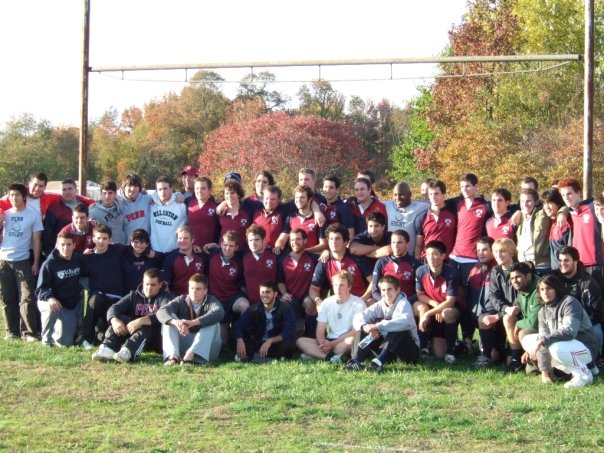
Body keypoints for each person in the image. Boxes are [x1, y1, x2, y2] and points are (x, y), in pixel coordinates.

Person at [521, 275, 598, 388]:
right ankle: (583, 368)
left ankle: (584, 375)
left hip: (585, 346)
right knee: (528, 340)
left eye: (549, 288)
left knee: (555, 347)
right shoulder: (542, 312)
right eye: (542, 289)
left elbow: (569, 331)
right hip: (566, 348)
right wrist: (545, 372)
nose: (545, 293)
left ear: (557, 289)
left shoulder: (569, 303)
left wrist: (543, 340)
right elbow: (543, 338)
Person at [91, 268, 173, 363]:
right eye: (146, 284)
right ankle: (107, 348)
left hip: (154, 338)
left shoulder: (166, 298)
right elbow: (114, 308)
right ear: (142, 283)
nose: (149, 288)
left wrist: (142, 321)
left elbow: (164, 314)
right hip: (132, 332)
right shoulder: (133, 295)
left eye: (153, 285)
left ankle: (128, 352)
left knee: (147, 326)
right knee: (120, 318)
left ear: (160, 285)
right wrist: (114, 320)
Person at [345, 275, 420, 372]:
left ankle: (378, 362)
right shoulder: (380, 304)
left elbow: (405, 321)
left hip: (408, 352)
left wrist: (377, 326)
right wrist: (366, 327)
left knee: (398, 329)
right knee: (362, 330)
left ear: (397, 290)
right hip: (388, 349)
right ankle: (356, 361)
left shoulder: (404, 304)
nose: (386, 293)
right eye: (383, 290)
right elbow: (359, 317)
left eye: (389, 289)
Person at [0, 183, 43, 341]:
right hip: (3, 261)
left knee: (27, 297)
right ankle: (11, 331)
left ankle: (28, 332)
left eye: (17, 195)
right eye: (11, 195)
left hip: (23, 260)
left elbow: (37, 240)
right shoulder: (5, 214)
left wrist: (36, 263)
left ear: (24, 197)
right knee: (7, 297)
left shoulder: (33, 215)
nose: (14, 198)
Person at [296, 270, 366, 363]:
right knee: (300, 341)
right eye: (336, 285)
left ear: (349, 287)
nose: (338, 289)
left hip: (344, 340)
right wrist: (322, 343)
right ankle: (330, 357)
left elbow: (356, 330)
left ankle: (315, 355)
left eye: (342, 285)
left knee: (351, 341)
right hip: (329, 339)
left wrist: (333, 344)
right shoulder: (326, 303)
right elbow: (320, 329)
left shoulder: (358, 303)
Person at [157, 273, 224, 365]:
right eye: (192, 288)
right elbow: (161, 311)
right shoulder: (181, 300)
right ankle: (173, 356)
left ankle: (192, 354)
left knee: (212, 322)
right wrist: (177, 323)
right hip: (185, 343)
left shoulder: (211, 301)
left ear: (205, 291)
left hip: (207, 348)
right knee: (168, 321)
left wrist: (193, 322)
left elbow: (219, 313)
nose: (194, 292)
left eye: (198, 289)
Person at [36, 232, 88, 347]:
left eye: (69, 244)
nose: (66, 248)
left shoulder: (78, 259)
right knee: (51, 308)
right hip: (52, 302)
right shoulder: (49, 264)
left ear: (74, 245)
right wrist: (50, 298)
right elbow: (40, 289)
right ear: (57, 246)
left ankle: (58, 332)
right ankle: (46, 340)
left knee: (64, 343)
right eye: (62, 245)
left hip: (69, 305)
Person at [414, 240, 460, 364]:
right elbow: (420, 295)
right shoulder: (420, 271)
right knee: (422, 308)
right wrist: (435, 306)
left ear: (443, 256)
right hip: (434, 307)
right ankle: (424, 347)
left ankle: (451, 352)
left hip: (447, 311)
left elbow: (450, 302)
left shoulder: (451, 273)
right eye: (428, 254)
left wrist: (430, 313)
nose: (431, 258)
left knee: (447, 312)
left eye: (435, 254)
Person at [81, 224, 127, 348]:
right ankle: (86, 338)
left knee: (105, 334)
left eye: (105, 238)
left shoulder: (117, 250)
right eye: (99, 238)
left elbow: (136, 247)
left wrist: (152, 253)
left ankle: (102, 336)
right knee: (95, 299)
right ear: (93, 239)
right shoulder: (88, 258)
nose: (101, 242)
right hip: (98, 298)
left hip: (116, 299)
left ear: (110, 240)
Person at [232, 280, 297, 363]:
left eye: (268, 292)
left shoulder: (286, 309)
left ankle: (254, 357)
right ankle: (269, 358)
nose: (264, 295)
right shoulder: (254, 309)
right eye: (262, 292)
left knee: (289, 344)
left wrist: (270, 341)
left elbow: (288, 331)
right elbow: (238, 326)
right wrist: (240, 340)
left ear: (275, 294)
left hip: (276, 342)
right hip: (259, 342)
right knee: (235, 340)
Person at [309, 223, 373, 306]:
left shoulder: (357, 258)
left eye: (337, 239)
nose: (333, 242)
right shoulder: (324, 261)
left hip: (359, 302)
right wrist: (318, 302)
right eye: (331, 239)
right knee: (310, 303)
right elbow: (313, 288)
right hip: (338, 304)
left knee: (371, 302)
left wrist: (364, 298)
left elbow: (373, 281)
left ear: (345, 241)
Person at [555, 246, 603, 353]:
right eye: (560, 260)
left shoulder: (589, 283)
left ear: (576, 261)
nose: (562, 263)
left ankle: (595, 356)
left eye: (566, 260)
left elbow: (597, 314)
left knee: (597, 331)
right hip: (561, 323)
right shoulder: (555, 280)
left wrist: (576, 325)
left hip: (585, 324)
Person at [558, 178, 604, 288]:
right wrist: (562, 212)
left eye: (569, 194)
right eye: (563, 195)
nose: (566, 198)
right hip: (579, 266)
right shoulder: (570, 213)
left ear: (578, 192)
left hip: (597, 264)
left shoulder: (592, 207)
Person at [466, 237, 499, 367]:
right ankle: (465, 342)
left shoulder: (498, 268)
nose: (481, 253)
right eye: (479, 250)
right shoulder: (475, 269)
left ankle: (487, 355)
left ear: (492, 251)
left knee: (495, 356)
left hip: (495, 315)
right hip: (476, 315)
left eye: (485, 249)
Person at [502, 262, 541, 372]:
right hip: (531, 330)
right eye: (512, 278)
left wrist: (518, 324)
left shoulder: (540, 289)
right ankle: (515, 360)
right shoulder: (522, 287)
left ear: (528, 276)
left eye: (518, 277)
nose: (515, 281)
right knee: (508, 318)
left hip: (545, 332)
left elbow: (534, 323)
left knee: (523, 332)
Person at [277, 228, 317, 334]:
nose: (295, 242)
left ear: (305, 241)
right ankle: (283, 338)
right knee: (280, 302)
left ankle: (310, 337)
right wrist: (284, 294)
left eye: (298, 239)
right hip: (290, 297)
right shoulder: (282, 259)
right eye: (292, 240)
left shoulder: (314, 258)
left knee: (309, 302)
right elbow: (280, 281)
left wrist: (326, 251)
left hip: (306, 297)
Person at [42, 179, 95, 255]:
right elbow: (47, 234)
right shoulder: (54, 209)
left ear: (76, 190)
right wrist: (52, 254)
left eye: (70, 189)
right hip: (64, 253)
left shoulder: (87, 205)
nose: (67, 192)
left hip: (86, 254)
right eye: (64, 189)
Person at [371, 229, 421, 303]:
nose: (396, 246)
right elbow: (375, 291)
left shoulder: (415, 264)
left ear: (407, 244)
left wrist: (402, 302)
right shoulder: (381, 262)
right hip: (385, 302)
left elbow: (418, 293)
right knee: (369, 302)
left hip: (406, 302)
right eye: (393, 242)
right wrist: (386, 302)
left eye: (399, 243)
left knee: (422, 307)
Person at [276, 185, 327, 254]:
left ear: (310, 199)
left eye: (302, 197)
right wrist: (278, 246)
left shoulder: (318, 219)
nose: (298, 200)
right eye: (296, 197)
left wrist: (304, 252)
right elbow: (282, 238)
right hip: (293, 259)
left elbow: (324, 245)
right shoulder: (291, 217)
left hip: (311, 260)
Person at [414, 180, 457, 259]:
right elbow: (418, 245)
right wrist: (416, 262)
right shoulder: (422, 216)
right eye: (431, 194)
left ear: (443, 194)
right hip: (427, 260)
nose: (433, 197)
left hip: (447, 261)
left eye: (436, 194)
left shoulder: (453, 213)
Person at [383, 181, 428, 255]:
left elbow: (437, 203)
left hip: (410, 256)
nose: (397, 198)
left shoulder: (420, 207)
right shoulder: (387, 205)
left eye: (401, 195)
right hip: (391, 255)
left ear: (410, 194)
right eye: (395, 195)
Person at [516, 188, 552, 275]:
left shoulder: (543, 214)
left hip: (541, 265)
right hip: (524, 266)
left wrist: (562, 213)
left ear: (536, 202)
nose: (525, 204)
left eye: (528, 201)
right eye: (522, 201)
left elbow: (562, 207)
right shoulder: (520, 217)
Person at [161, 226, 205, 296]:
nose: (182, 241)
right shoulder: (170, 258)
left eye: (186, 238)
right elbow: (165, 283)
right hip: (176, 299)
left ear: (192, 240)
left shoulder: (201, 257)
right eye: (180, 238)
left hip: (197, 299)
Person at [149, 176, 188, 253]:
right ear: (156, 191)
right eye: (160, 189)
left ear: (171, 189)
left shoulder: (181, 205)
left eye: (165, 188)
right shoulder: (151, 205)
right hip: (154, 251)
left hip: (174, 251)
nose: (162, 192)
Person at [242, 224, 278, 306]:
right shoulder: (243, 257)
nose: (253, 243)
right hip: (250, 304)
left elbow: (280, 280)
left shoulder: (274, 256)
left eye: (256, 240)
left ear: (264, 240)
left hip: (271, 303)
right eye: (250, 240)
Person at [218, 179, 253, 249]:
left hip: (241, 252)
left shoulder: (248, 212)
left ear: (239, 194)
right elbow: (217, 231)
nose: (229, 196)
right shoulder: (220, 212)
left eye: (232, 193)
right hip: (224, 251)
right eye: (227, 193)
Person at [186, 176, 219, 249]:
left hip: (210, 250)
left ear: (210, 190)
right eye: (197, 188)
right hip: (192, 249)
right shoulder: (188, 202)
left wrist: (216, 245)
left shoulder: (216, 206)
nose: (199, 191)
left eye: (203, 188)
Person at [541, 188, 571, 270]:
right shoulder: (553, 222)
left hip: (565, 272)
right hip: (556, 271)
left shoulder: (564, 223)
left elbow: (570, 251)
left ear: (558, 204)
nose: (546, 207)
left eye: (550, 203)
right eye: (544, 204)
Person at [320, 174, 354, 239]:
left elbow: (350, 234)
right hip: (320, 245)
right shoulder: (320, 205)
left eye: (331, 187)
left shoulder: (344, 208)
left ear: (337, 190)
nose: (327, 190)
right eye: (325, 187)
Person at [118, 173, 152, 239]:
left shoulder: (147, 199)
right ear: (124, 187)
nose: (132, 189)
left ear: (139, 188)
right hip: (127, 246)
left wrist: (177, 196)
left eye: (136, 186)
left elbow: (165, 196)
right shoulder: (117, 203)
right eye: (129, 185)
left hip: (145, 245)